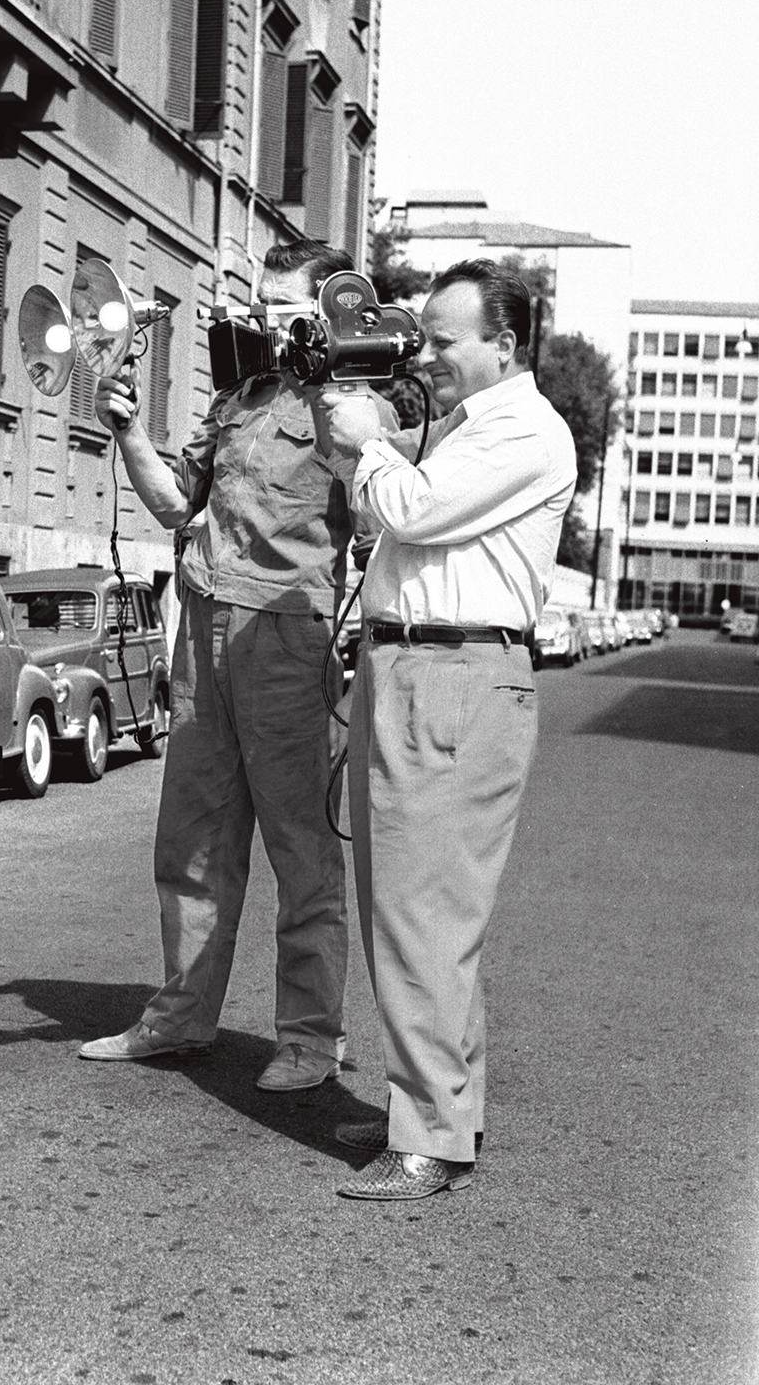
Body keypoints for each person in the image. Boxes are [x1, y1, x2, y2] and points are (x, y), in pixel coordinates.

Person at [78, 239, 396, 1091]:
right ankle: (181, 1016)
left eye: (282, 304)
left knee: (301, 848)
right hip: (202, 630)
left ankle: (309, 1038)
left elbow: (377, 515)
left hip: (287, 639)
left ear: (328, 306)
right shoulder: (241, 397)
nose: (261, 318)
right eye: (258, 302)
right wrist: (128, 429)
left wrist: (330, 382)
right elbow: (176, 504)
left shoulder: (358, 404)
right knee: (193, 840)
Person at [320, 258, 576, 1201]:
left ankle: (429, 1135)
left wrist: (368, 444)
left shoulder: (528, 432)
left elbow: (414, 511)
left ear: (504, 346)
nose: (424, 354)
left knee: (422, 915)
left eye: (443, 341)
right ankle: (437, 1109)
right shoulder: (469, 428)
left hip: (454, 674)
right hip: (414, 666)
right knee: (411, 906)